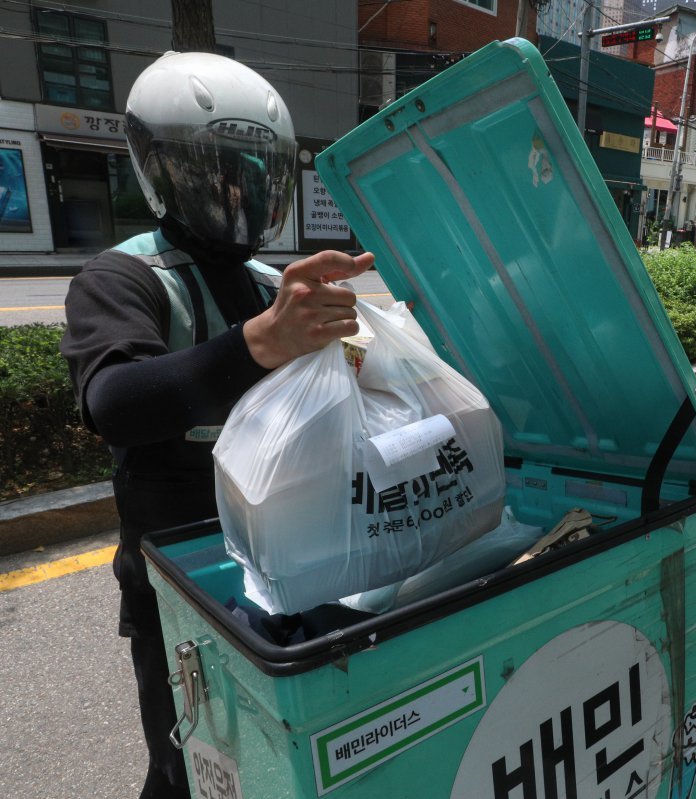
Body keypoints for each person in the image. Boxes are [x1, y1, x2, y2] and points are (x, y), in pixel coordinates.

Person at [60, 52, 373, 799]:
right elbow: (115, 401)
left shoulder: (276, 282)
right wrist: (259, 343)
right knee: (190, 768)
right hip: (181, 591)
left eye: (258, 173)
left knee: (286, 766)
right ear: (162, 173)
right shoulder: (126, 277)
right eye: (217, 172)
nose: (241, 192)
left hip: (293, 572)